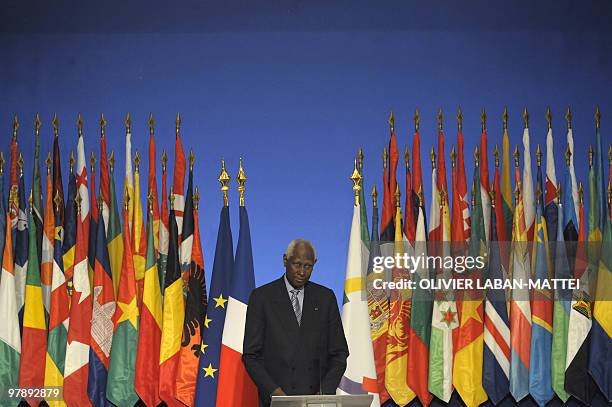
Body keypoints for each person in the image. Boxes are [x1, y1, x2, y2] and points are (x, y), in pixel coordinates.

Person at [242, 239, 349, 406]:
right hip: (276, 400)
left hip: (316, 401)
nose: (301, 272)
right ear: (285, 260)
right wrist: (276, 394)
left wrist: (323, 394)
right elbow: (251, 356)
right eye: (297, 264)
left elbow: (339, 354)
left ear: (315, 264)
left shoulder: (325, 298)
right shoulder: (262, 297)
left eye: (308, 266)